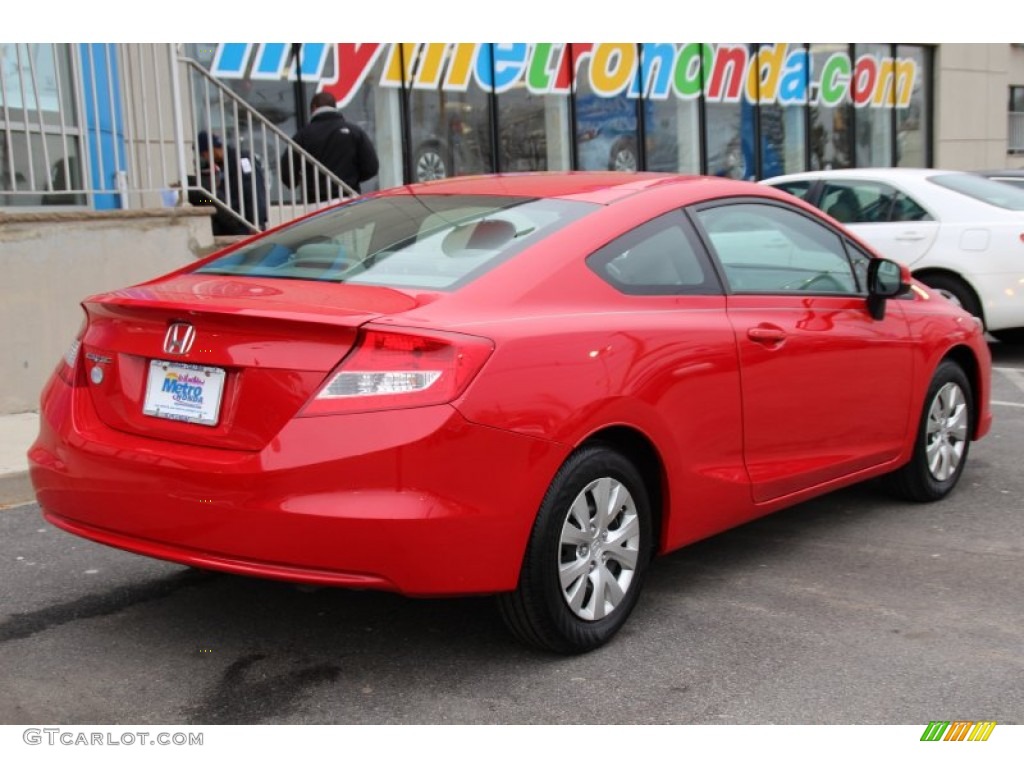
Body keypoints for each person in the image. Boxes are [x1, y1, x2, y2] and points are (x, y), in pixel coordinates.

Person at [282, 92, 379, 205]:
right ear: (334, 107)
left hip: (316, 202)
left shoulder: (303, 135)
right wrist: (352, 179)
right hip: (348, 198)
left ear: (314, 108)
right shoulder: (354, 132)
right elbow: (371, 167)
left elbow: (287, 171)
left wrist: (296, 182)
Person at [193, 130, 268, 236]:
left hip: (245, 224)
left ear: (212, 150)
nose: (205, 159)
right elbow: (213, 199)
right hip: (230, 220)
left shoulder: (241, 160)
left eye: (204, 154)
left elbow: (254, 191)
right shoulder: (222, 167)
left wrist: (256, 222)